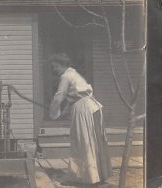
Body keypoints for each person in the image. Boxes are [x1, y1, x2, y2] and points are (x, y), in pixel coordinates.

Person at [48, 53, 113, 185]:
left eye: (56, 66)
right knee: (94, 142)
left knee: (83, 142)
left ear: (63, 65)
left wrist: (52, 112)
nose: (54, 69)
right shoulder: (74, 74)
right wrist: (62, 113)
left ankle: (88, 178)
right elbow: (72, 99)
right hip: (93, 108)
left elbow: (59, 96)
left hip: (85, 110)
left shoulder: (66, 76)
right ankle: (98, 176)